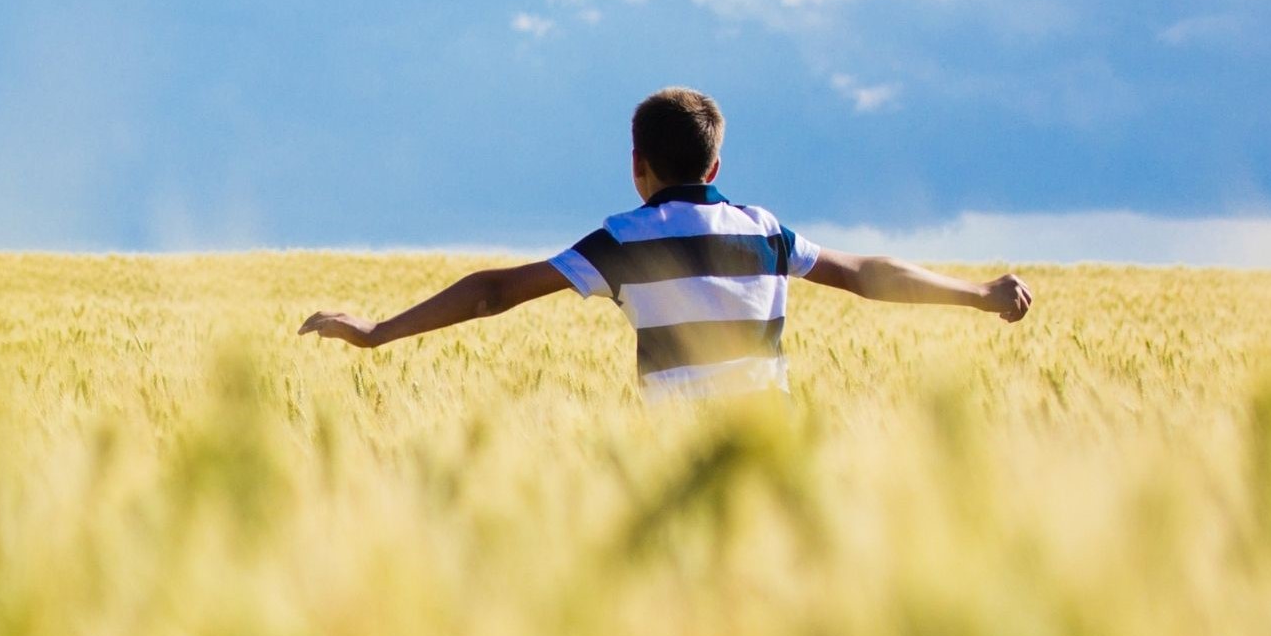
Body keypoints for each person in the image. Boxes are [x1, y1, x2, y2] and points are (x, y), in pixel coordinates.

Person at [300, 87, 1032, 400]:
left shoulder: (624, 241)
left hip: (674, 464)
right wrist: (978, 295)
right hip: (774, 461)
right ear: (716, 168)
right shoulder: (765, 230)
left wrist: (375, 332)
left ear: (636, 166)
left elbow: (494, 291)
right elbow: (869, 274)